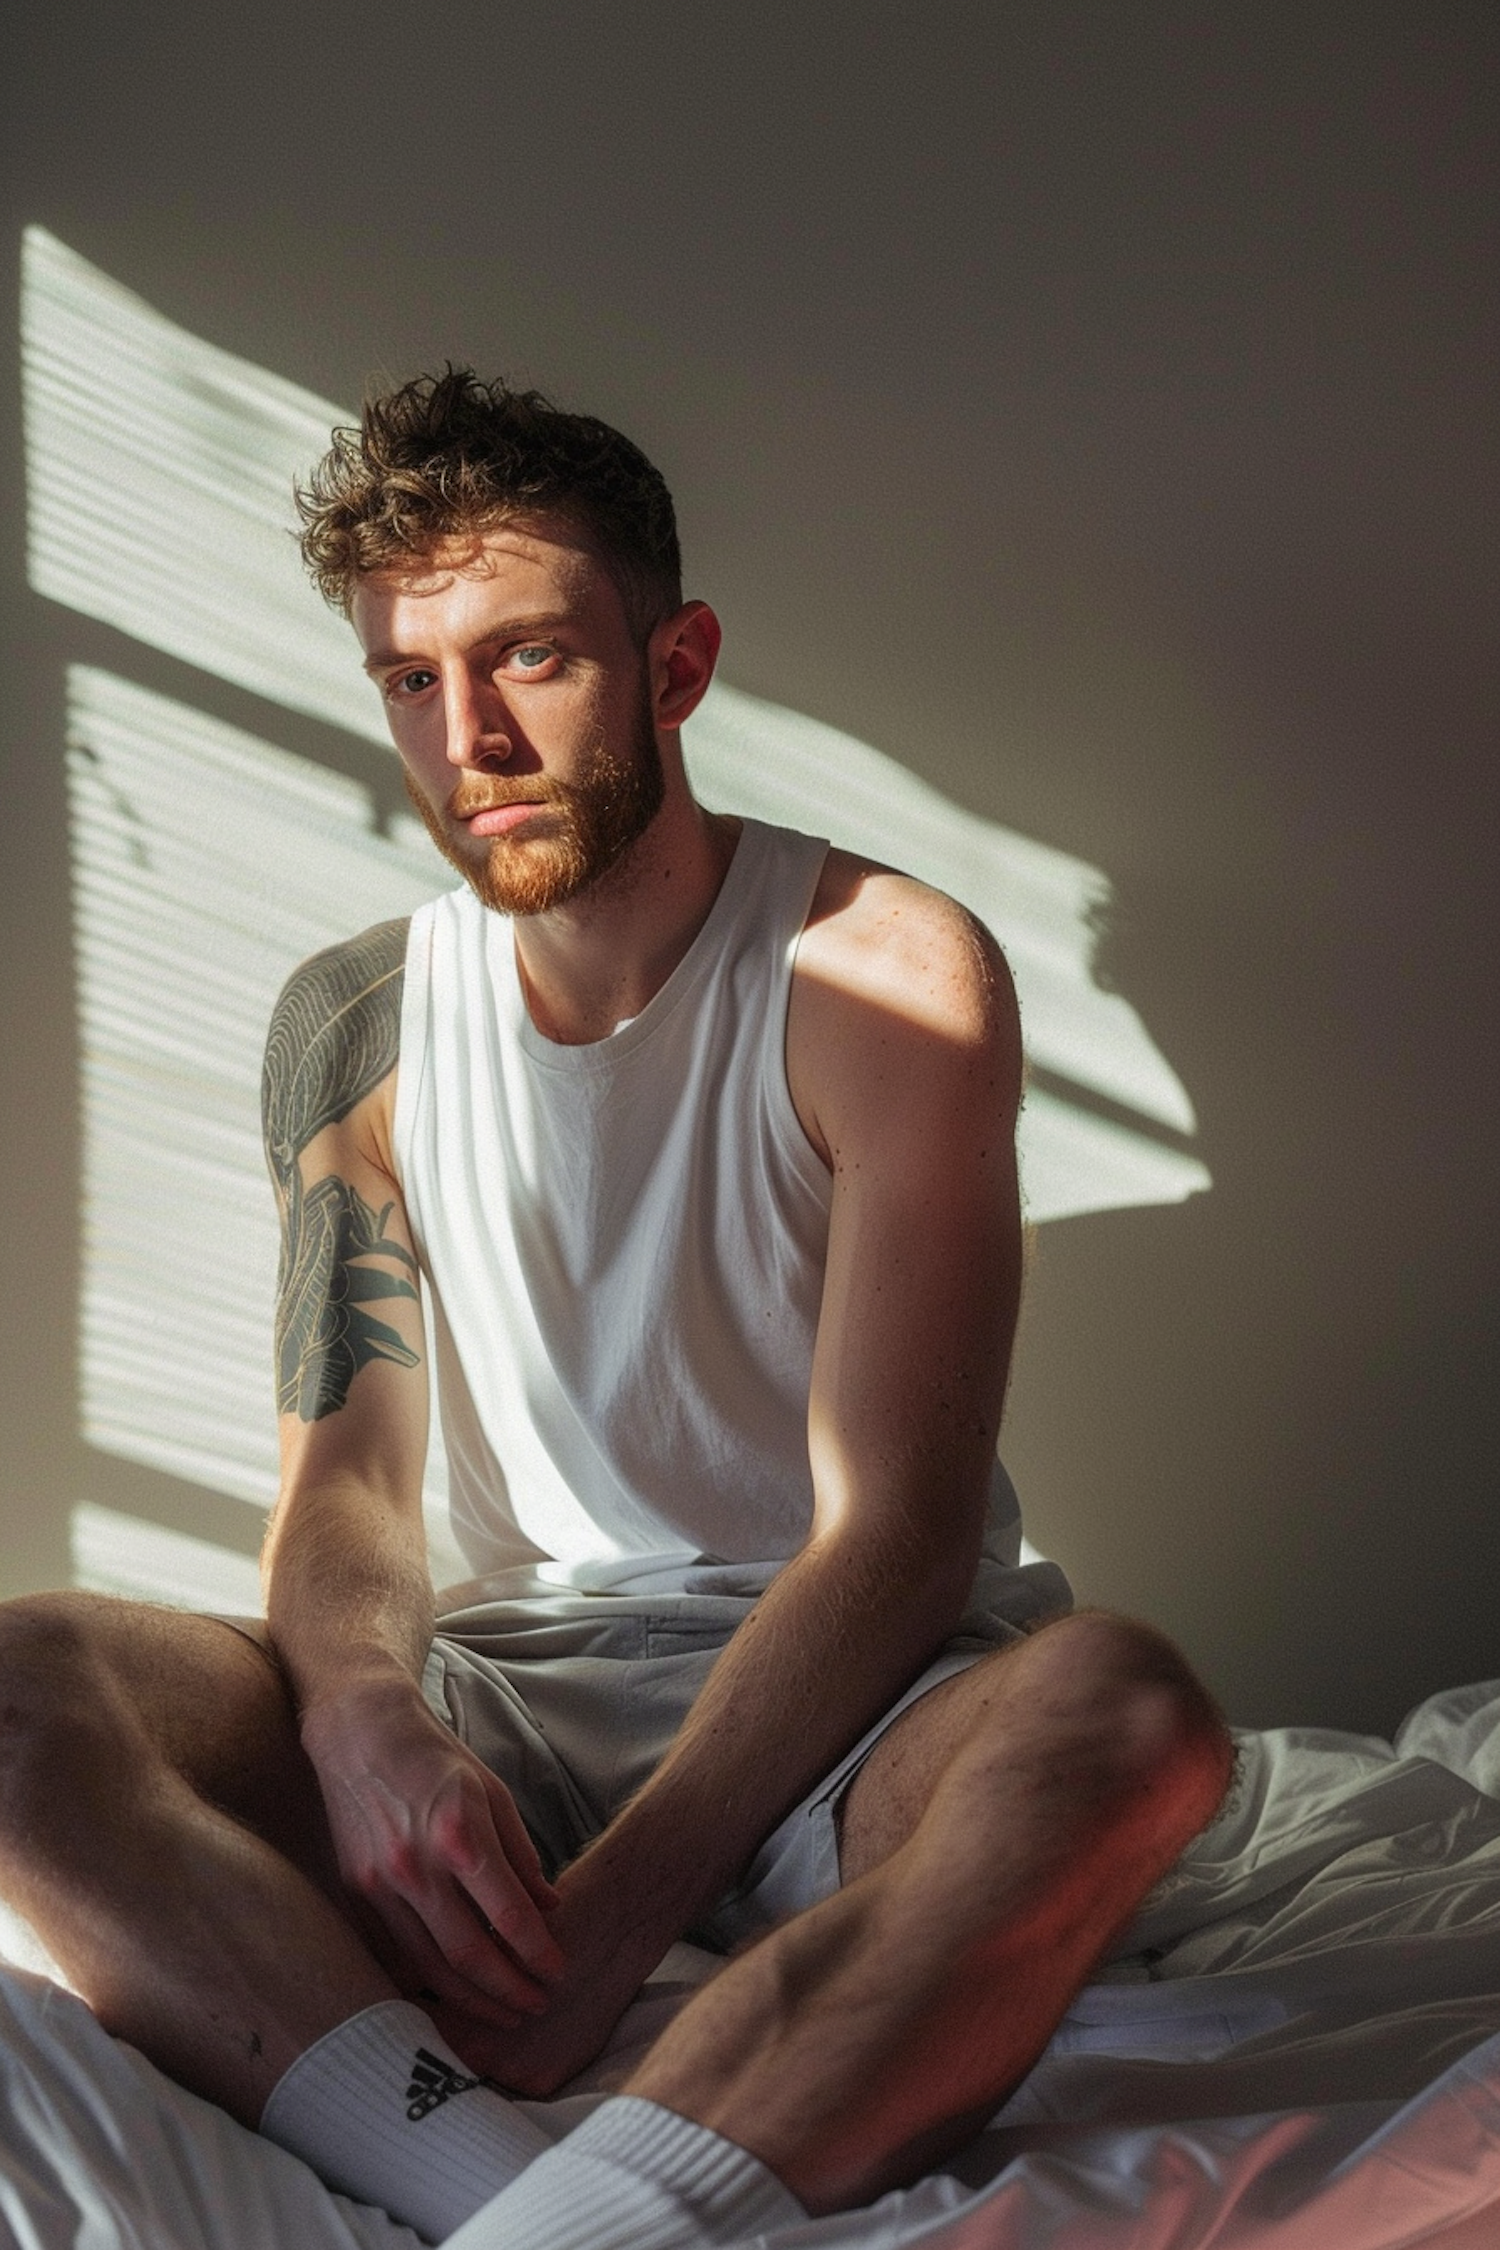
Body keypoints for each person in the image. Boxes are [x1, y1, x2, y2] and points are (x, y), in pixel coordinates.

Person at [0, 372, 1231, 2229]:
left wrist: (609, 1927)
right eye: (411, 680)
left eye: (529, 660)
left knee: (1128, 1716)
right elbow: (347, 1485)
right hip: (505, 1709)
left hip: (857, 1711)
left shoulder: (885, 972)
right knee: (17, 1687)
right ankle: (497, 2182)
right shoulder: (355, 1024)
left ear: (676, 661)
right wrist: (364, 1721)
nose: (467, 736)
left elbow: (894, 1535)